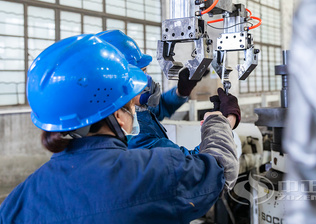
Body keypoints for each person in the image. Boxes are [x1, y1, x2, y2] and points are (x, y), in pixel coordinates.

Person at [0, 34, 239, 223]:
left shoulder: (15, 203)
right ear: (118, 116)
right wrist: (221, 121)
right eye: (132, 103)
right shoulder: (154, 172)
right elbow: (217, 169)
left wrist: (180, 92)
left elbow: (154, 112)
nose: (140, 99)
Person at [96, 30, 240, 155]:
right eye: (138, 75)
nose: (147, 81)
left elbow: (160, 108)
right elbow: (198, 166)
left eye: (145, 71)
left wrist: (181, 91)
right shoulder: (135, 136)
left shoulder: (129, 112)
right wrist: (226, 123)